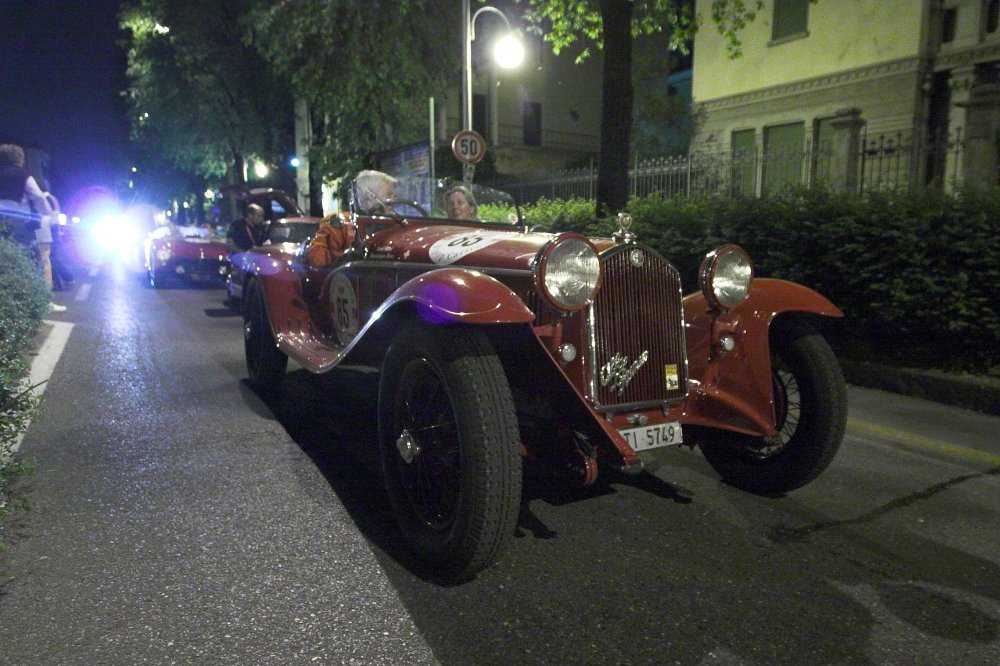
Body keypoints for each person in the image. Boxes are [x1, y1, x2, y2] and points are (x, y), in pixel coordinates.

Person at [0, 144, 65, 312]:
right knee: (35, 260)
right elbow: (37, 197)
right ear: (19, 158)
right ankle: (43, 302)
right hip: (18, 224)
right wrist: (48, 215)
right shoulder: (23, 175)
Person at [306, 170, 396, 267]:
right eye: (389, 194)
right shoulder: (340, 223)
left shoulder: (397, 223)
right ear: (369, 195)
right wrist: (348, 258)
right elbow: (318, 261)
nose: (394, 198)